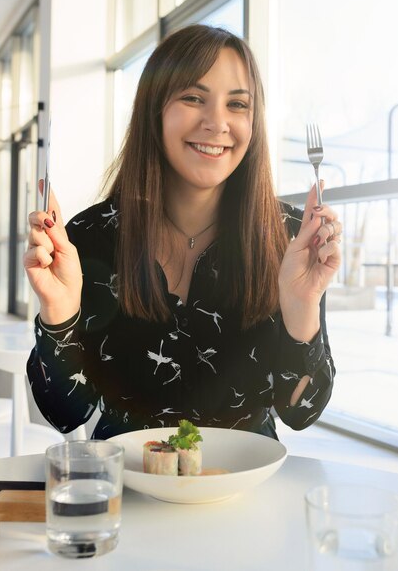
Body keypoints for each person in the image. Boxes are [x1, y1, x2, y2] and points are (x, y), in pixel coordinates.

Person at [24, 24, 342, 440]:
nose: (217, 123)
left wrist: (302, 309)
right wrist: (59, 314)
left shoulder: (291, 237)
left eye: (237, 105)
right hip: (129, 490)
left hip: (244, 491)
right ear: (154, 110)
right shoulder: (90, 236)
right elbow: (65, 414)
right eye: (193, 98)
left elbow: (301, 411)